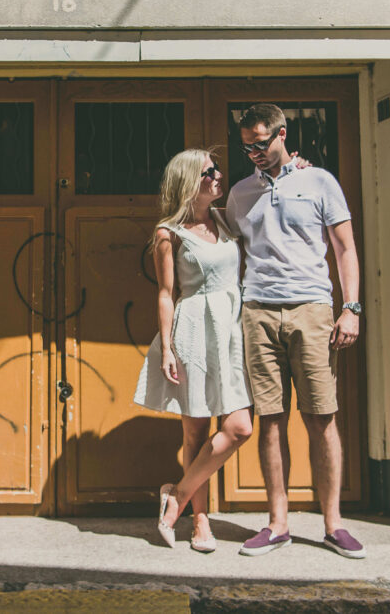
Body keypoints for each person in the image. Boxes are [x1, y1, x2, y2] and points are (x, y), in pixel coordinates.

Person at [226, 104, 366, 559]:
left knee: (321, 417)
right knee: (270, 419)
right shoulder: (241, 192)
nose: (254, 153)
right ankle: (278, 524)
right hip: (259, 310)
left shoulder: (319, 181)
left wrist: (351, 308)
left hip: (312, 309)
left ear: (283, 134)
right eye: (247, 146)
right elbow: (226, 244)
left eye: (261, 143)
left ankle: (333, 524)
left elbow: (344, 248)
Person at [133, 148, 253, 553]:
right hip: (195, 329)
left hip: (231, 330)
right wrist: (167, 348)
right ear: (189, 182)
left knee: (239, 427)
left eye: (217, 170)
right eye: (209, 172)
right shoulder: (169, 233)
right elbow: (166, 294)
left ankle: (178, 496)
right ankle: (200, 522)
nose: (219, 176)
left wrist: (297, 168)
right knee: (196, 431)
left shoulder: (225, 217)